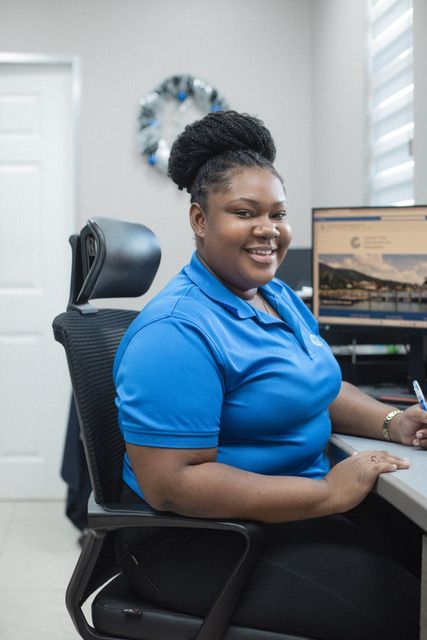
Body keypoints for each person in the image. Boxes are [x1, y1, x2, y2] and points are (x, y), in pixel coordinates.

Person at [113, 111, 427, 639]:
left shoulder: (273, 296)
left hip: (284, 511)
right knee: (410, 610)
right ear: (199, 219)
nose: (269, 230)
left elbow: (315, 388)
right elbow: (172, 485)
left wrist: (392, 419)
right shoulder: (175, 332)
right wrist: (329, 494)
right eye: (244, 212)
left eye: (278, 214)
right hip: (203, 540)